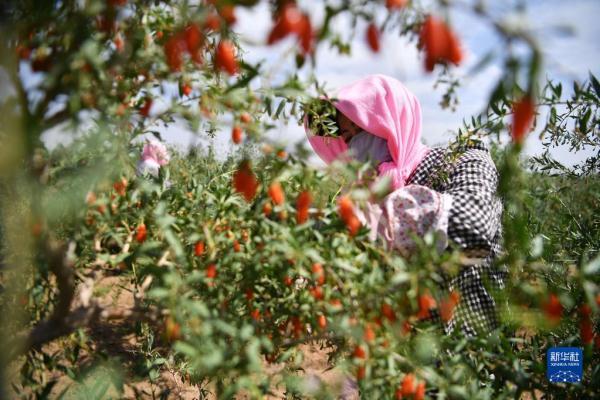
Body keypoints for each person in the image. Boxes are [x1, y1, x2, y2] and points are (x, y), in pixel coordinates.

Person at [305, 74, 506, 337]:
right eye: (348, 135)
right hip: (400, 359)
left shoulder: (463, 160)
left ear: (392, 120)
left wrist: (379, 219)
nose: (357, 143)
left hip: (472, 350)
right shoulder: (363, 193)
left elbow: (471, 225)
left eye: (362, 129)